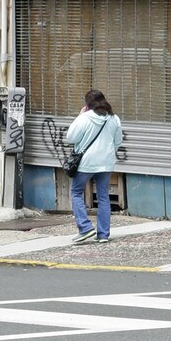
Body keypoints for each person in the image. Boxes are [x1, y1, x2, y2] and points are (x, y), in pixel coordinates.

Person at [65, 89, 124, 243]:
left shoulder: (84, 118)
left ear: (88, 104)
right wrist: (108, 153)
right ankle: (103, 235)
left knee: (76, 192)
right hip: (106, 163)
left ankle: (85, 228)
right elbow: (118, 141)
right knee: (103, 196)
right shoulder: (114, 118)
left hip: (86, 163)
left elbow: (71, 138)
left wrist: (80, 115)